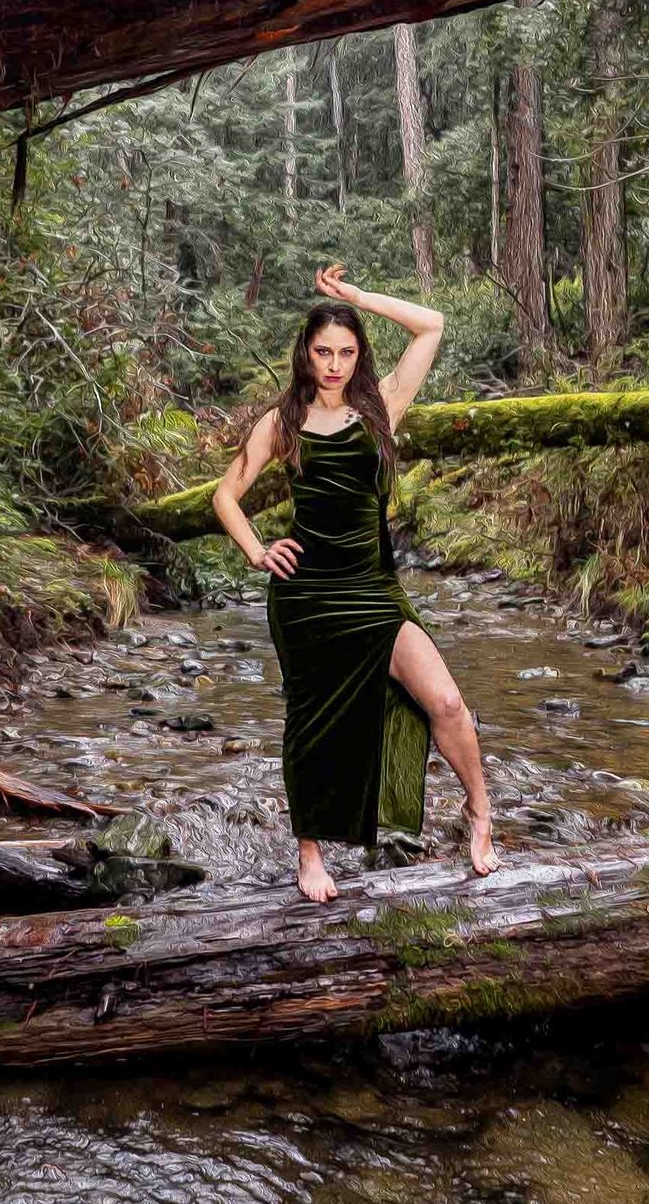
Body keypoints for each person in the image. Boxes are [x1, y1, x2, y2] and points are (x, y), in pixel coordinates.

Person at [211, 262, 500, 902]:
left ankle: (479, 812)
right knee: (309, 724)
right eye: (323, 352)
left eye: (346, 351)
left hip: (372, 587)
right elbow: (226, 495)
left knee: (446, 702)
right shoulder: (282, 422)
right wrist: (258, 550)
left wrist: (357, 297)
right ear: (306, 355)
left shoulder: (382, 406)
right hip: (307, 597)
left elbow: (432, 325)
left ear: (358, 354)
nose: (335, 364)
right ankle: (310, 854)